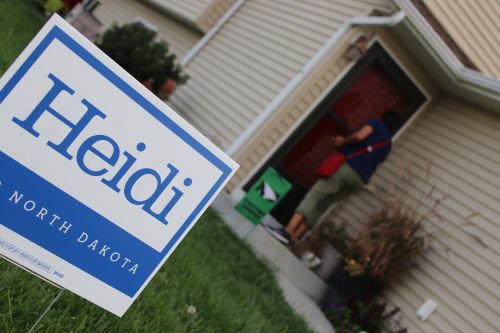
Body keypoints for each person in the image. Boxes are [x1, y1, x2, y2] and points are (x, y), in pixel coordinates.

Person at [266, 111, 399, 245]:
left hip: (348, 168)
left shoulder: (376, 124)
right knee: (324, 204)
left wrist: (343, 140)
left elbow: (359, 137)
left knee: (315, 195)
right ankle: (295, 238)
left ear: (382, 117)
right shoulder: (388, 145)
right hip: (359, 180)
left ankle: (287, 231)